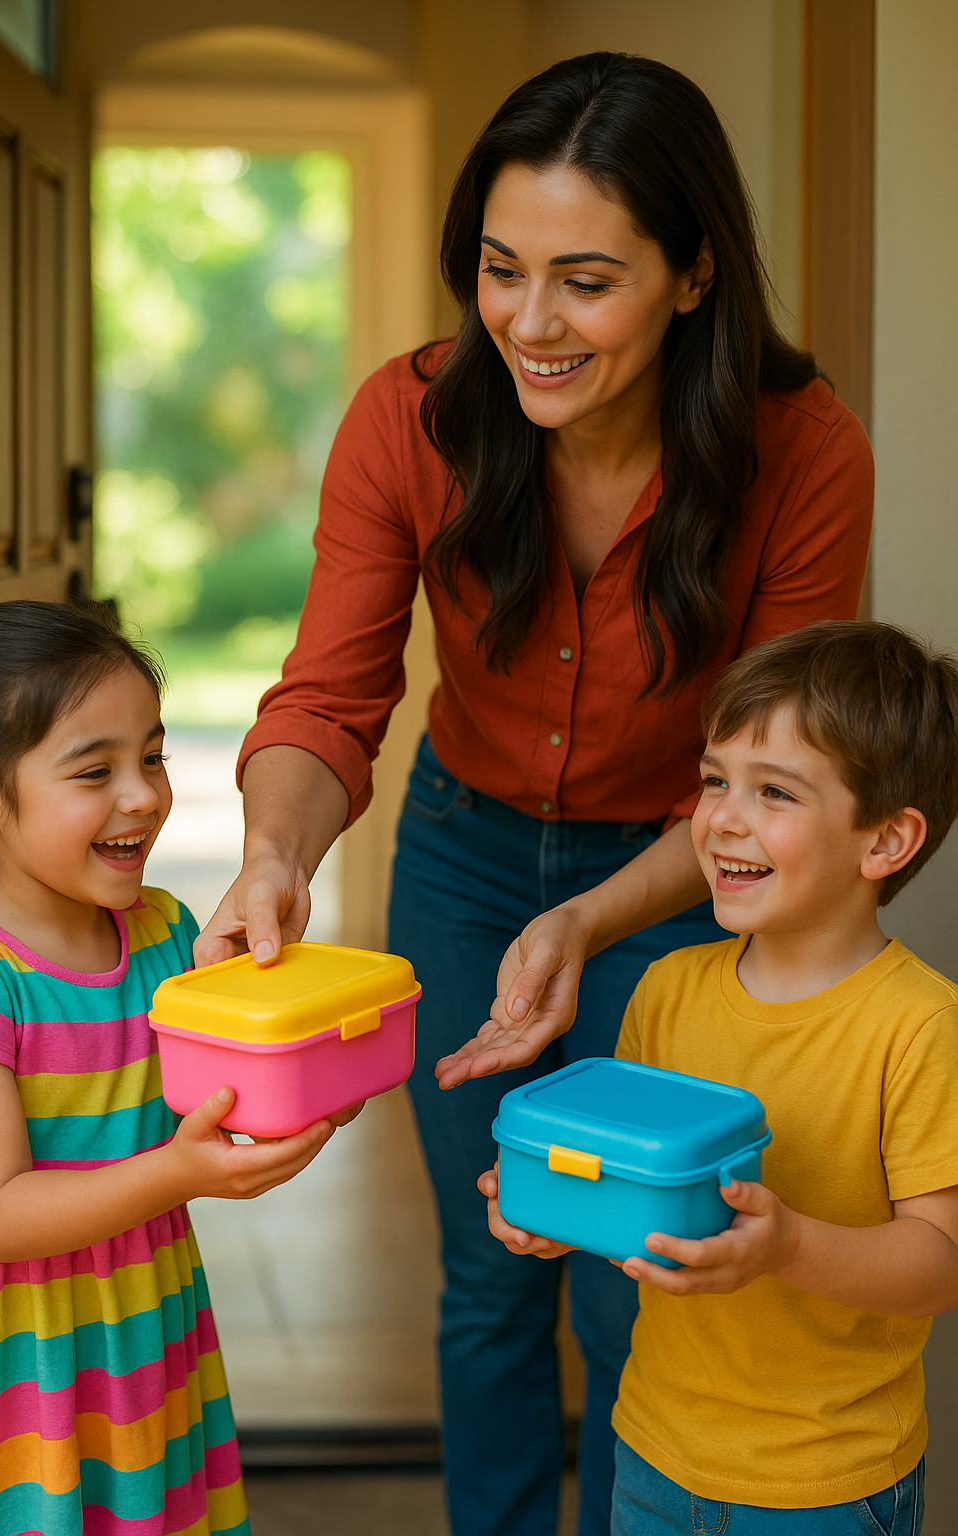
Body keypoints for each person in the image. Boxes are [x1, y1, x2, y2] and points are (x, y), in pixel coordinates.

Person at [196, 52, 874, 1536]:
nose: (530, 321)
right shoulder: (414, 417)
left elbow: (779, 778)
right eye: (501, 271)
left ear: (695, 275)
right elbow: (329, 698)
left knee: (642, 1266)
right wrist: (271, 856)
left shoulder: (804, 450)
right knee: (492, 1270)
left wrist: (587, 920)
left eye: (587, 280)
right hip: (462, 851)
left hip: (695, 877)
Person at [483, 620, 958, 1535]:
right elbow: (634, 1183)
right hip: (654, 1450)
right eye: (713, 781)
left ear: (886, 841)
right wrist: (552, 1208)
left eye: (773, 791)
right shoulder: (664, 993)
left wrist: (789, 1248)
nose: (722, 818)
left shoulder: (922, 1027)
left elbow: (940, 1263)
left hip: (827, 1480)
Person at [0, 601, 359, 1536]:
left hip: (142, 1325)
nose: (144, 795)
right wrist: (179, 1172)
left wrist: (304, 1078)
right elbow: (1, 1214)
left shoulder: (167, 931)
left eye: (153, 757)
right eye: (96, 771)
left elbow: (211, 1099)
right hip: (17, 1355)